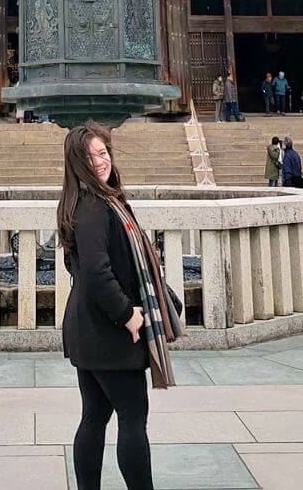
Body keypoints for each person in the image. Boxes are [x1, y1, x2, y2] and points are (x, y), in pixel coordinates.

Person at [58, 122, 181, 490]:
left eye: (103, 152)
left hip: (89, 331)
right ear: (76, 163)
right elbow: (96, 271)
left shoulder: (94, 201)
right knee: (132, 417)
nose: (100, 162)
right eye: (90, 156)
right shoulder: (95, 206)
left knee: (95, 415)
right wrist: (127, 314)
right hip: (108, 333)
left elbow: (80, 265)